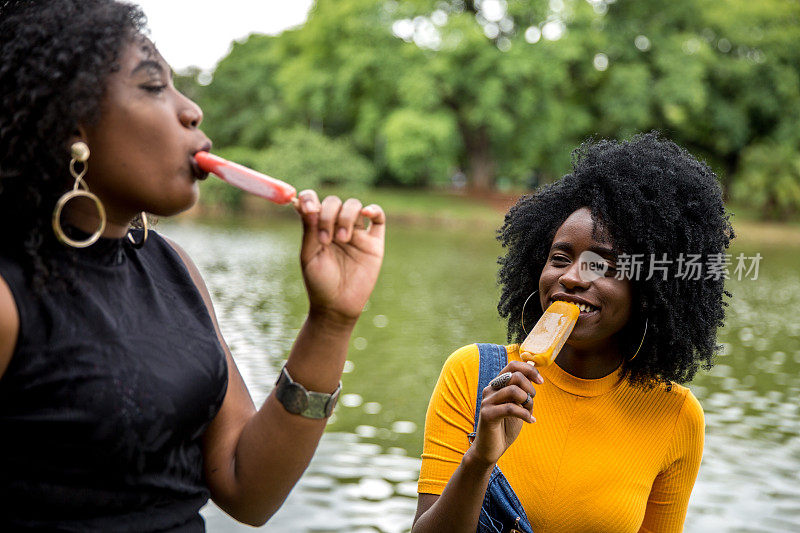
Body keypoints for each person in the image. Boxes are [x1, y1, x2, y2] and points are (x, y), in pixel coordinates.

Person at [0, 0, 385, 530]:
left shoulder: (172, 267)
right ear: (69, 121)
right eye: (154, 86)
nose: (192, 110)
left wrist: (332, 321)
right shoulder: (8, 292)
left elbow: (247, 490)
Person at [413, 133, 734, 532]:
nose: (571, 277)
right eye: (560, 258)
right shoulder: (473, 374)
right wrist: (479, 460)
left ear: (650, 290)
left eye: (603, 266)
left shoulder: (676, 417)